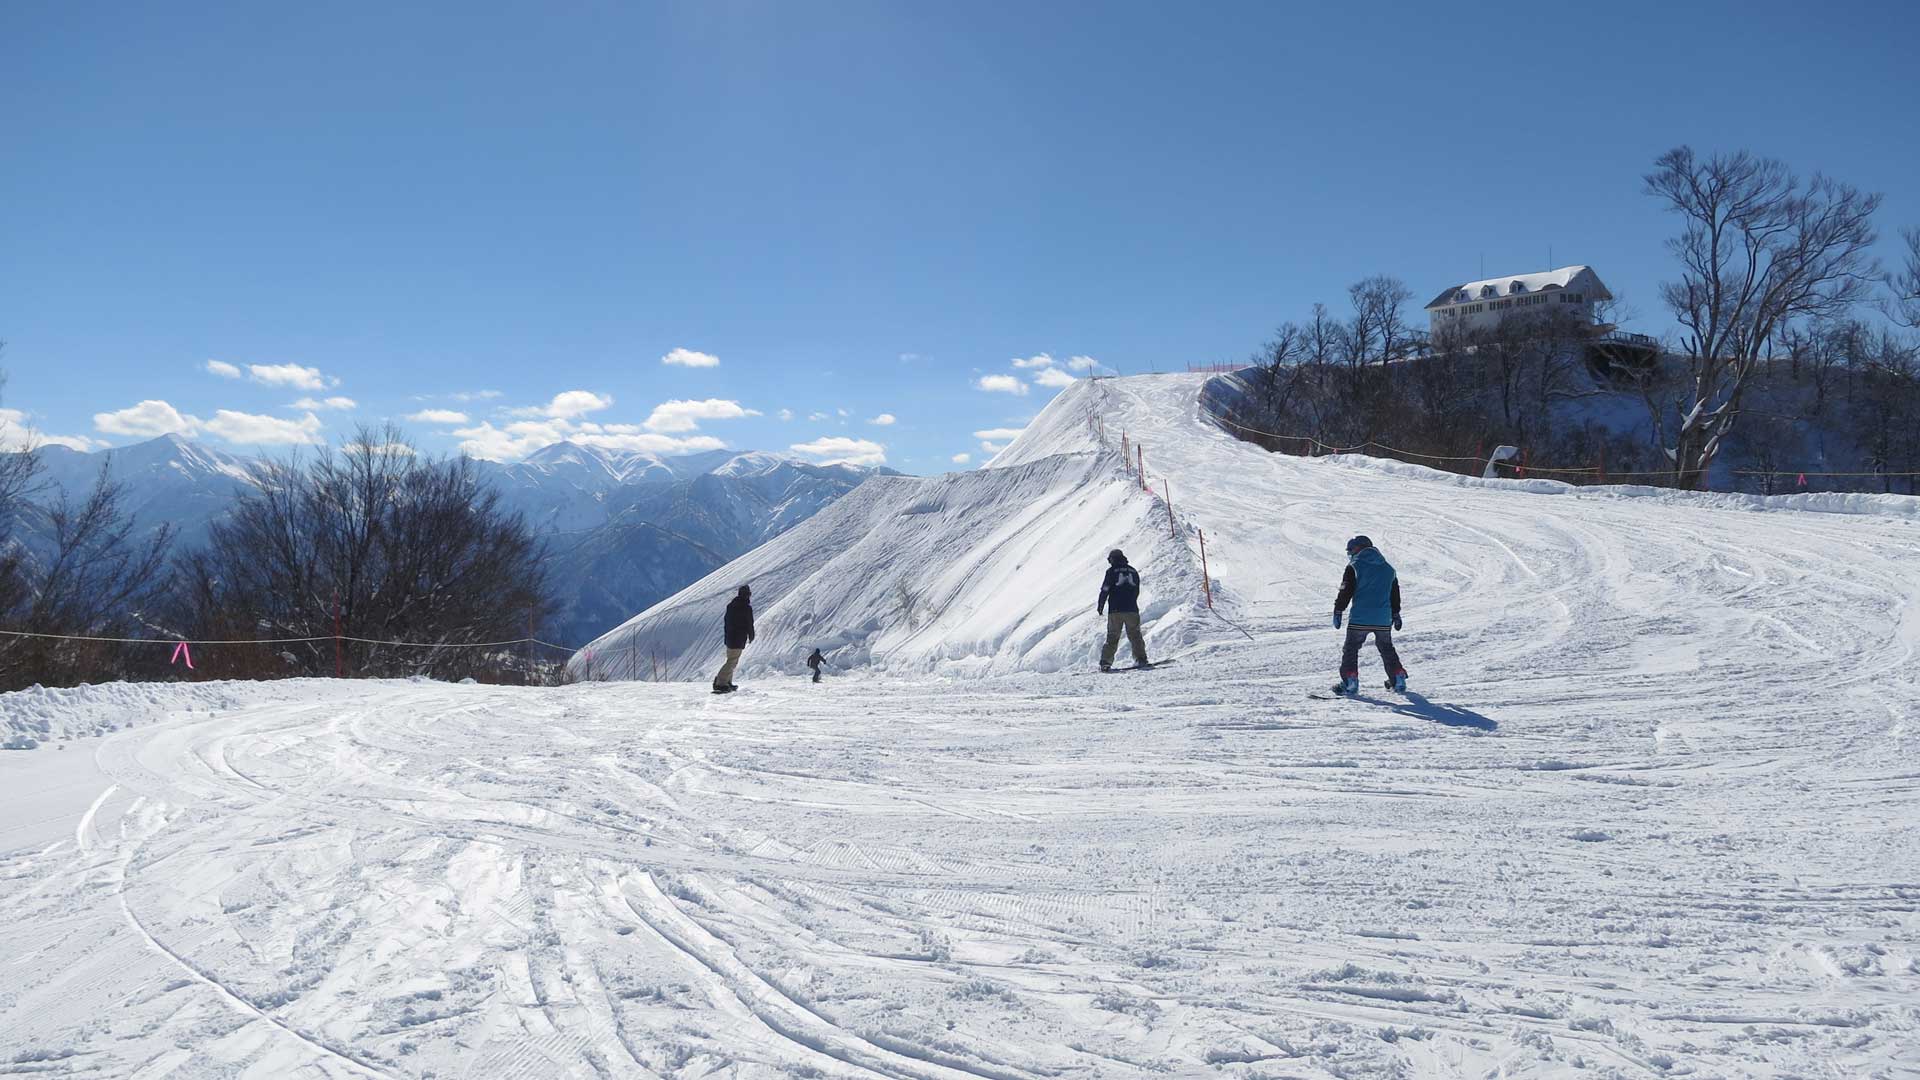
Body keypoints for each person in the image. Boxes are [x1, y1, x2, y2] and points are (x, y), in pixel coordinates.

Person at [1332, 535, 1407, 695]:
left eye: (1351, 550)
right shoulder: (1388, 568)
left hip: (1360, 617)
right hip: (1383, 619)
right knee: (1386, 647)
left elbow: (1346, 591)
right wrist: (1396, 614)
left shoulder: (1354, 566)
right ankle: (1397, 676)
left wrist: (1338, 610)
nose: (1350, 554)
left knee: (1351, 648)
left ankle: (1350, 681)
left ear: (1359, 548)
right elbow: (1394, 594)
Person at [1097, 548, 1150, 671]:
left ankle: (1105, 662)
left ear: (1113, 559)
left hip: (1115, 610)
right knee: (1135, 635)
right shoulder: (1133, 571)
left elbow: (1105, 589)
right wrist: (1131, 601)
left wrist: (1101, 606)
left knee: (1113, 636)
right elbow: (1137, 589)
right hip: (1131, 608)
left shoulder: (1111, 571)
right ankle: (1141, 658)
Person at [712, 585, 755, 693]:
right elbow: (749, 623)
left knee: (731, 659)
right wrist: (751, 635)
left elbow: (727, 621)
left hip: (730, 637)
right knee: (732, 661)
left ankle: (727, 681)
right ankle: (720, 682)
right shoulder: (746, 607)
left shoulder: (731, 606)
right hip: (738, 638)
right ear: (747, 595)